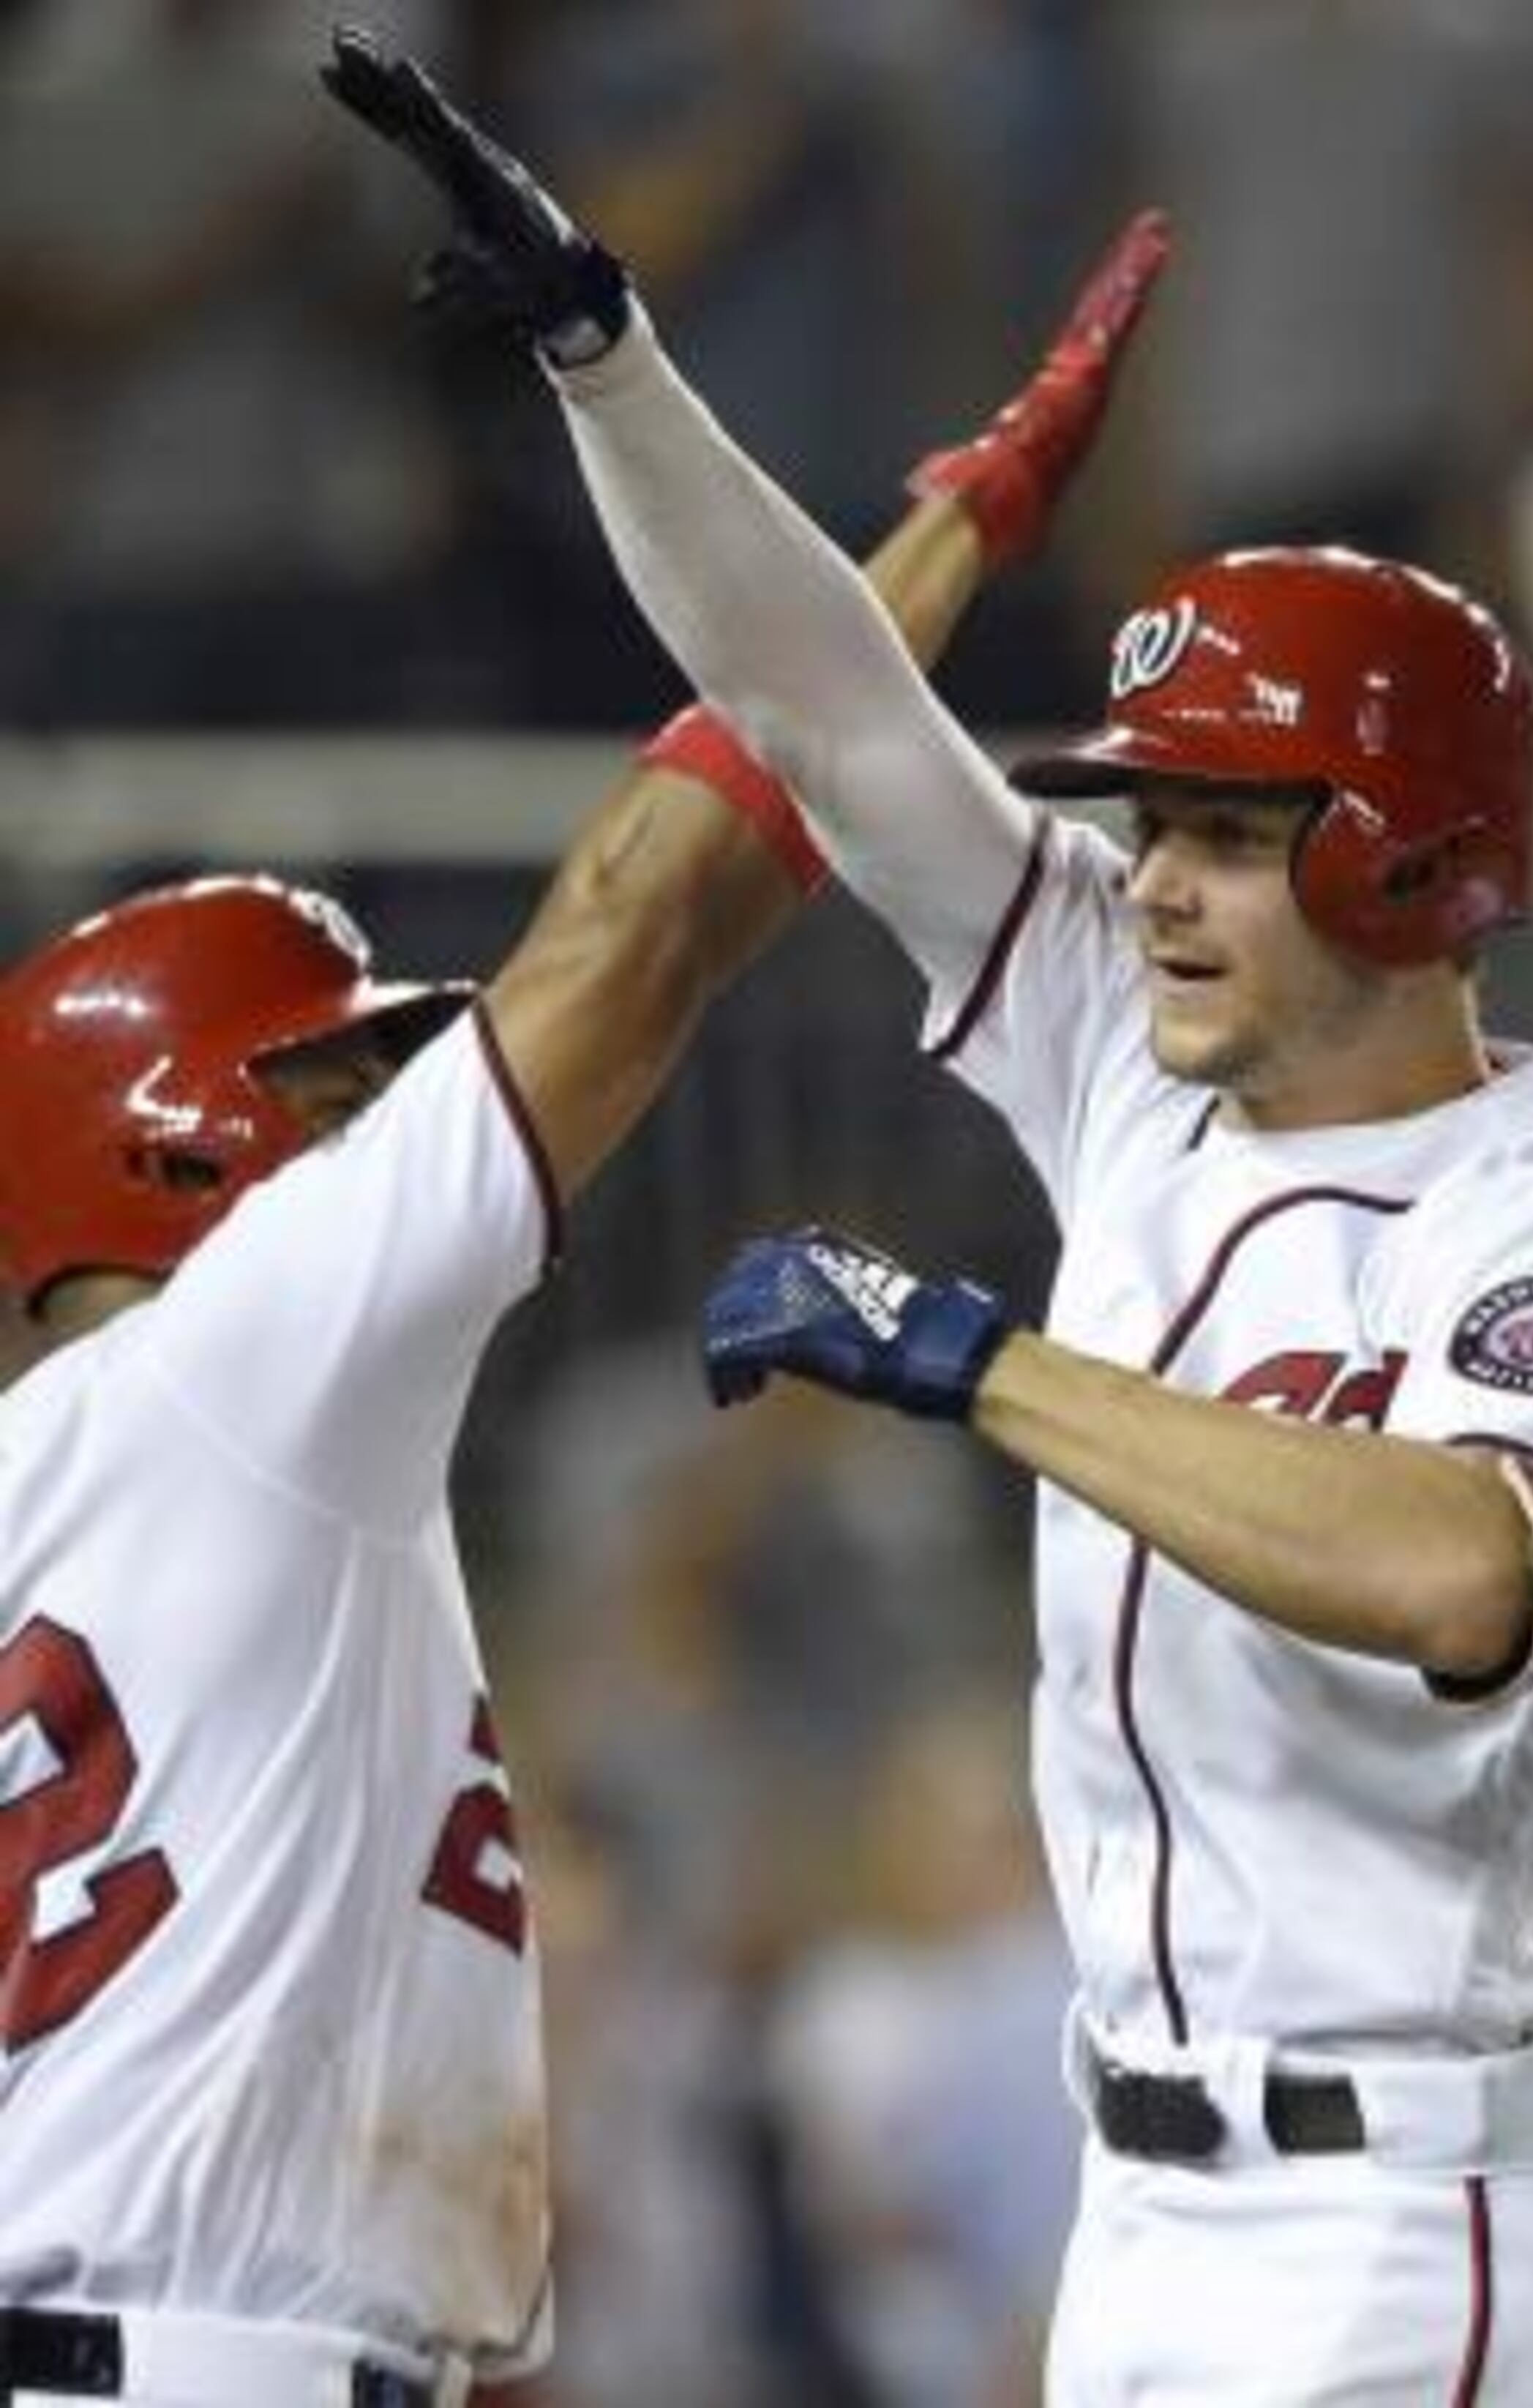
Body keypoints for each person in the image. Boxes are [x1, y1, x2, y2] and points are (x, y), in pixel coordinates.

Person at [326, 30, 1533, 2405]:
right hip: (1156, 2209)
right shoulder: (1146, 1060)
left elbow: (1463, 1567)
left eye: (1223, 831)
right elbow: (827, 713)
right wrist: (613, 364)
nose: (1146, 883)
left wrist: (983, 1363)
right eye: (1143, 822)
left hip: (1426, 2233)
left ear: (1408, 853)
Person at [0, 44, 1169, 2398]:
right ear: (175, 1155)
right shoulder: (236, 1367)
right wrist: (942, 533)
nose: (408, 1109)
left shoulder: (110, 1452)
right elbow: (648, 919)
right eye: (335, 1082)